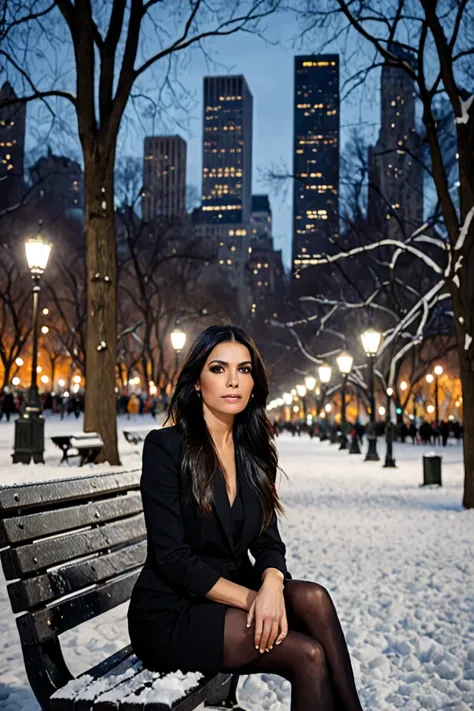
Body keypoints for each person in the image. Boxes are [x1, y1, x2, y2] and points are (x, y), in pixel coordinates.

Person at [128, 324, 364, 711]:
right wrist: (252, 598)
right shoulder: (166, 448)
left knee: (315, 599)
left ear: (254, 382)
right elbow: (171, 558)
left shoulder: (252, 451)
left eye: (244, 369)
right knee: (307, 655)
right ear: (197, 382)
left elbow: (268, 540)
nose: (233, 381)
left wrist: (271, 583)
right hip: (172, 612)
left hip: (226, 599)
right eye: (219, 369)